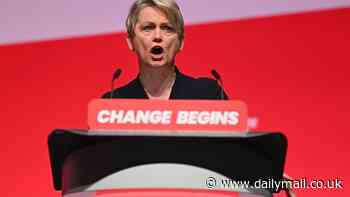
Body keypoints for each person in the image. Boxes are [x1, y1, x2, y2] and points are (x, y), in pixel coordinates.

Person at [102, 0, 228, 100]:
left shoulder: (208, 95)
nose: (157, 36)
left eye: (167, 28)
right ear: (130, 42)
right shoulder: (113, 103)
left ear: (181, 42)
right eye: (148, 28)